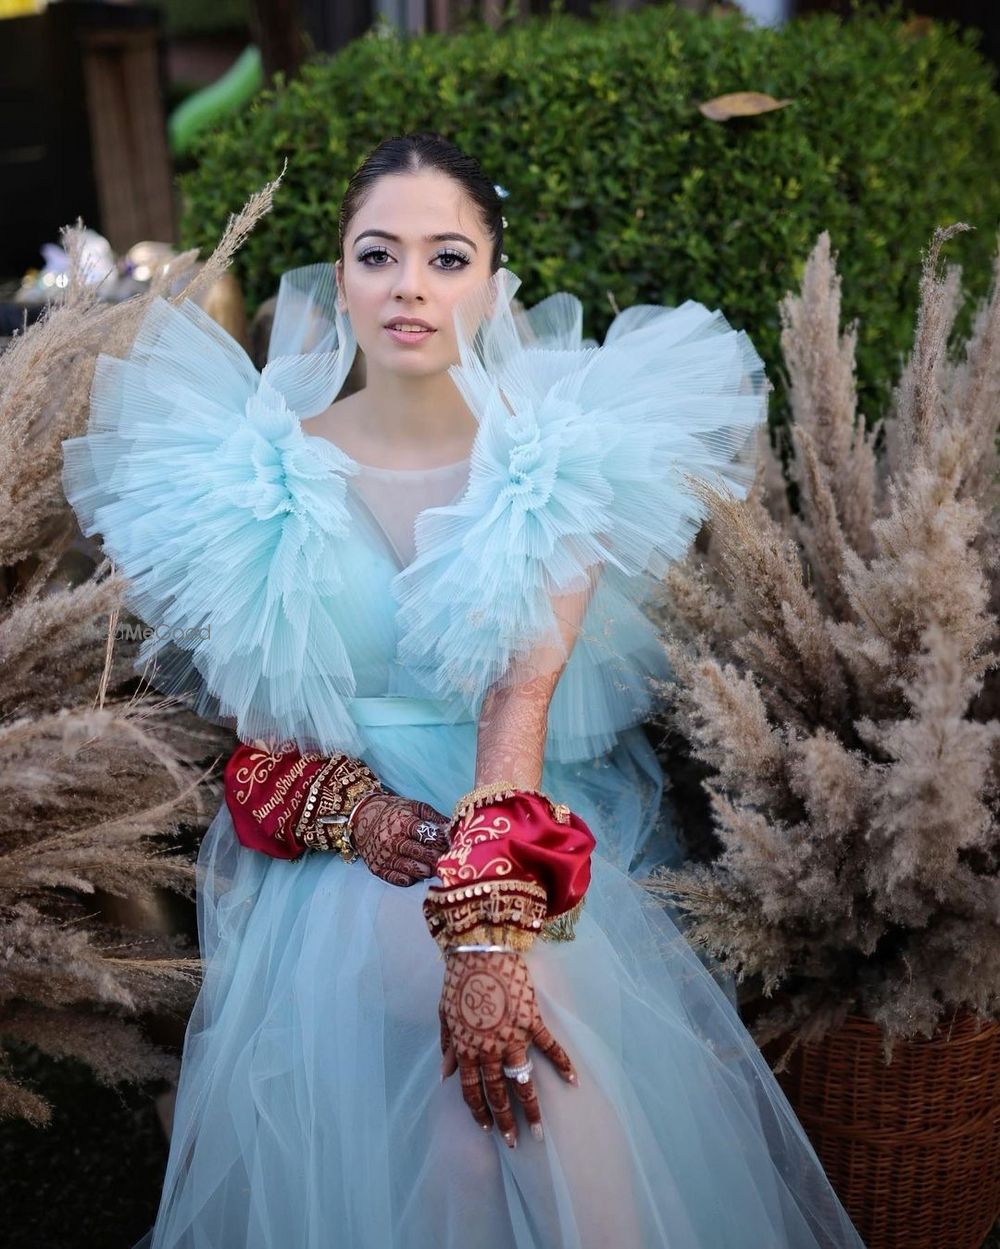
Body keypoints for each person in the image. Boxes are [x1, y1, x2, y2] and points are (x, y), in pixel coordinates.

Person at [61, 131, 867, 1248]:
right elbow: (259, 750)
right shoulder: (243, 473)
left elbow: (518, 705)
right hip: (353, 850)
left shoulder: (555, 460)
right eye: (378, 254)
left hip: (515, 812)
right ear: (339, 277)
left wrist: (489, 942)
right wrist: (372, 816)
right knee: (507, 1058)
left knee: (505, 1071)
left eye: (447, 258)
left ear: (493, 284)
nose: (409, 287)